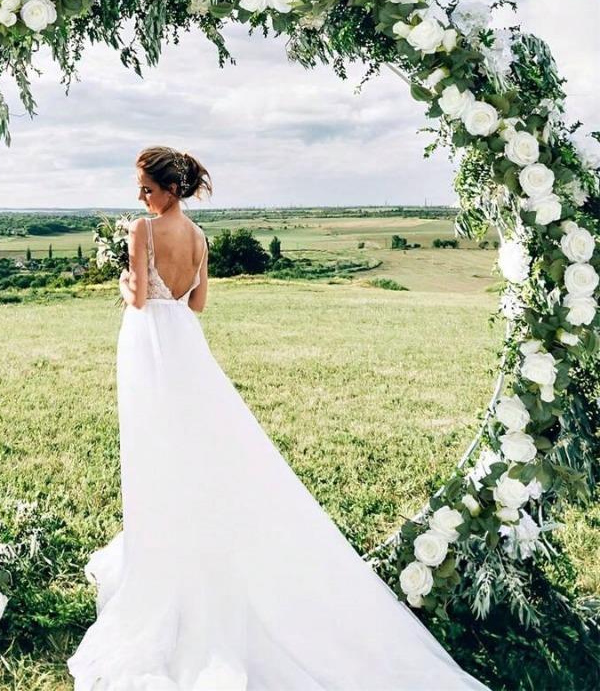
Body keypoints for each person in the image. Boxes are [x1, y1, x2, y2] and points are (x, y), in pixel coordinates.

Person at [67, 146, 492, 691]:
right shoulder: (200, 239)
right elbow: (196, 306)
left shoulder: (143, 232)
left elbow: (143, 301)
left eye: (146, 188)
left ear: (169, 190)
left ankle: (166, 549)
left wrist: (126, 283)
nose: (140, 197)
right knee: (194, 446)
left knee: (155, 448)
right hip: (187, 347)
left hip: (148, 344)